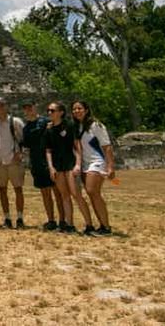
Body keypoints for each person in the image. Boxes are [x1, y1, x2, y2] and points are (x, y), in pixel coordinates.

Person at [44, 102, 95, 235]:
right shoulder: (49, 129)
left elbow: (77, 146)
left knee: (76, 194)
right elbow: (48, 150)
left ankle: (89, 225)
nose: (49, 113)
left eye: (52, 110)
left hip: (70, 163)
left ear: (61, 112)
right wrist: (51, 167)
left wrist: (78, 164)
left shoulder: (70, 125)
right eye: (48, 111)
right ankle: (69, 225)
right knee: (64, 196)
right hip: (58, 166)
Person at [21, 99, 66, 231]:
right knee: (45, 192)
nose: (28, 110)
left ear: (35, 108)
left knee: (57, 192)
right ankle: (51, 219)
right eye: (26, 108)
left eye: (30, 107)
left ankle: (62, 219)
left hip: (50, 160)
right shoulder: (26, 128)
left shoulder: (47, 122)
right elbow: (27, 145)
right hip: (37, 162)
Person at [72, 101, 115, 236]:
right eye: (74, 109)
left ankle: (106, 226)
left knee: (92, 191)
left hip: (97, 161)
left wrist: (110, 166)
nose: (77, 111)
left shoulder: (96, 125)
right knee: (92, 194)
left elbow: (107, 146)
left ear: (86, 110)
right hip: (85, 163)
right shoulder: (77, 127)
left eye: (79, 108)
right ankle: (102, 225)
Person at [0, 98, 25, 229]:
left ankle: (20, 218)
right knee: (2, 190)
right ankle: (7, 218)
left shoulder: (15, 122)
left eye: (2, 105)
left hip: (13, 160)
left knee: (18, 189)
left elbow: (24, 139)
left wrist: (20, 154)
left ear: (7, 106)